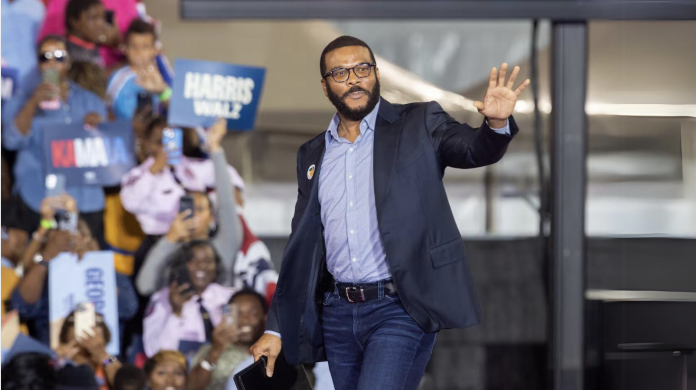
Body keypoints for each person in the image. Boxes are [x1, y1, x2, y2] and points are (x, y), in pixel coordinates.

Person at [249, 36, 530, 390]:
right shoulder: (312, 154)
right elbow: (301, 244)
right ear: (325, 86)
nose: (354, 79)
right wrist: (275, 327)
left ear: (376, 74)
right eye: (340, 73)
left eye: (362, 68)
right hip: (337, 313)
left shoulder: (418, 122)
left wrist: (495, 126)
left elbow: (472, 151)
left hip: (399, 306)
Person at [1, 35, 108, 245]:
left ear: (68, 63)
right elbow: (11, 142)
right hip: (38, 198)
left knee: (83, 263)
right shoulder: (20, 101)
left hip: (84, 200)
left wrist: (98, 128)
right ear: (38, 63)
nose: (52, 62)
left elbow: (107, 152)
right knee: (40, 264)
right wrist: (33, 104)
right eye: (45, 57)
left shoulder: (90, 101)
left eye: (59, 57)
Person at [129, 118, 243, 295]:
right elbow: (145, 287)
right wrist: (170, 239)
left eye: (201, 209)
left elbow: (227, 205)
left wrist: (215, 148)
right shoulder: (172, 252)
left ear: (212, 217)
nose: (193, 213)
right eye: (187, 206)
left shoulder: (224, 245)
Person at [11, 208, 139, 348]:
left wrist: (94, 263)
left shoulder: (115, 276)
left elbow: (129, 309)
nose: (70, 238)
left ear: (91, 240)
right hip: (57, 360)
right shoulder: (43, 279)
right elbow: (21, 308)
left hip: (104, 360)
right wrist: (48, 255)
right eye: (61, 233)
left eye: (78, 231)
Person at [142, 241, 234, 357]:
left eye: (208, 261)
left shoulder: (229, 297)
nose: (201, 266)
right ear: (181, 265)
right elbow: (155, 353)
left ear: (216, 266)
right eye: (193, 261)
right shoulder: (161, 299)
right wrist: (176, 312)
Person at [187, 289, 266, 390]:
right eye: (238, 313)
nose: (245, 319)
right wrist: (215, 351)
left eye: (252, 313)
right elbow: (191, 387)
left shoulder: (275, 352)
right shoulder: (210, 350)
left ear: (265, 317)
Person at [39, 0, 138, 67]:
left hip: (114, 82)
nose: (100, 24)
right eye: (94, 18)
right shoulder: (68, 52)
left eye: (102, 17)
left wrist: (117, 42)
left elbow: (140, 40)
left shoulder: (126, 2)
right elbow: (47, 44)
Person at [107, 18, 171, 122]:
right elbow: (107, 110)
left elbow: (176, 114)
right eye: (134, 46)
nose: (139, 52)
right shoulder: (117, 78)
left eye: (145, 47)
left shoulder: (160, 77)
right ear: (125, 48)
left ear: (154, 50)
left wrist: (162, 90)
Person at [55, 311, 122, 390]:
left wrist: (104, 358)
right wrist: (58, 360)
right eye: (77, 323)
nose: (87, 329)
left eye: (96, 323)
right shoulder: (56, 361)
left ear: (104, 336)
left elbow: (126, 383)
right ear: (66, 335)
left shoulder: (109, 360)